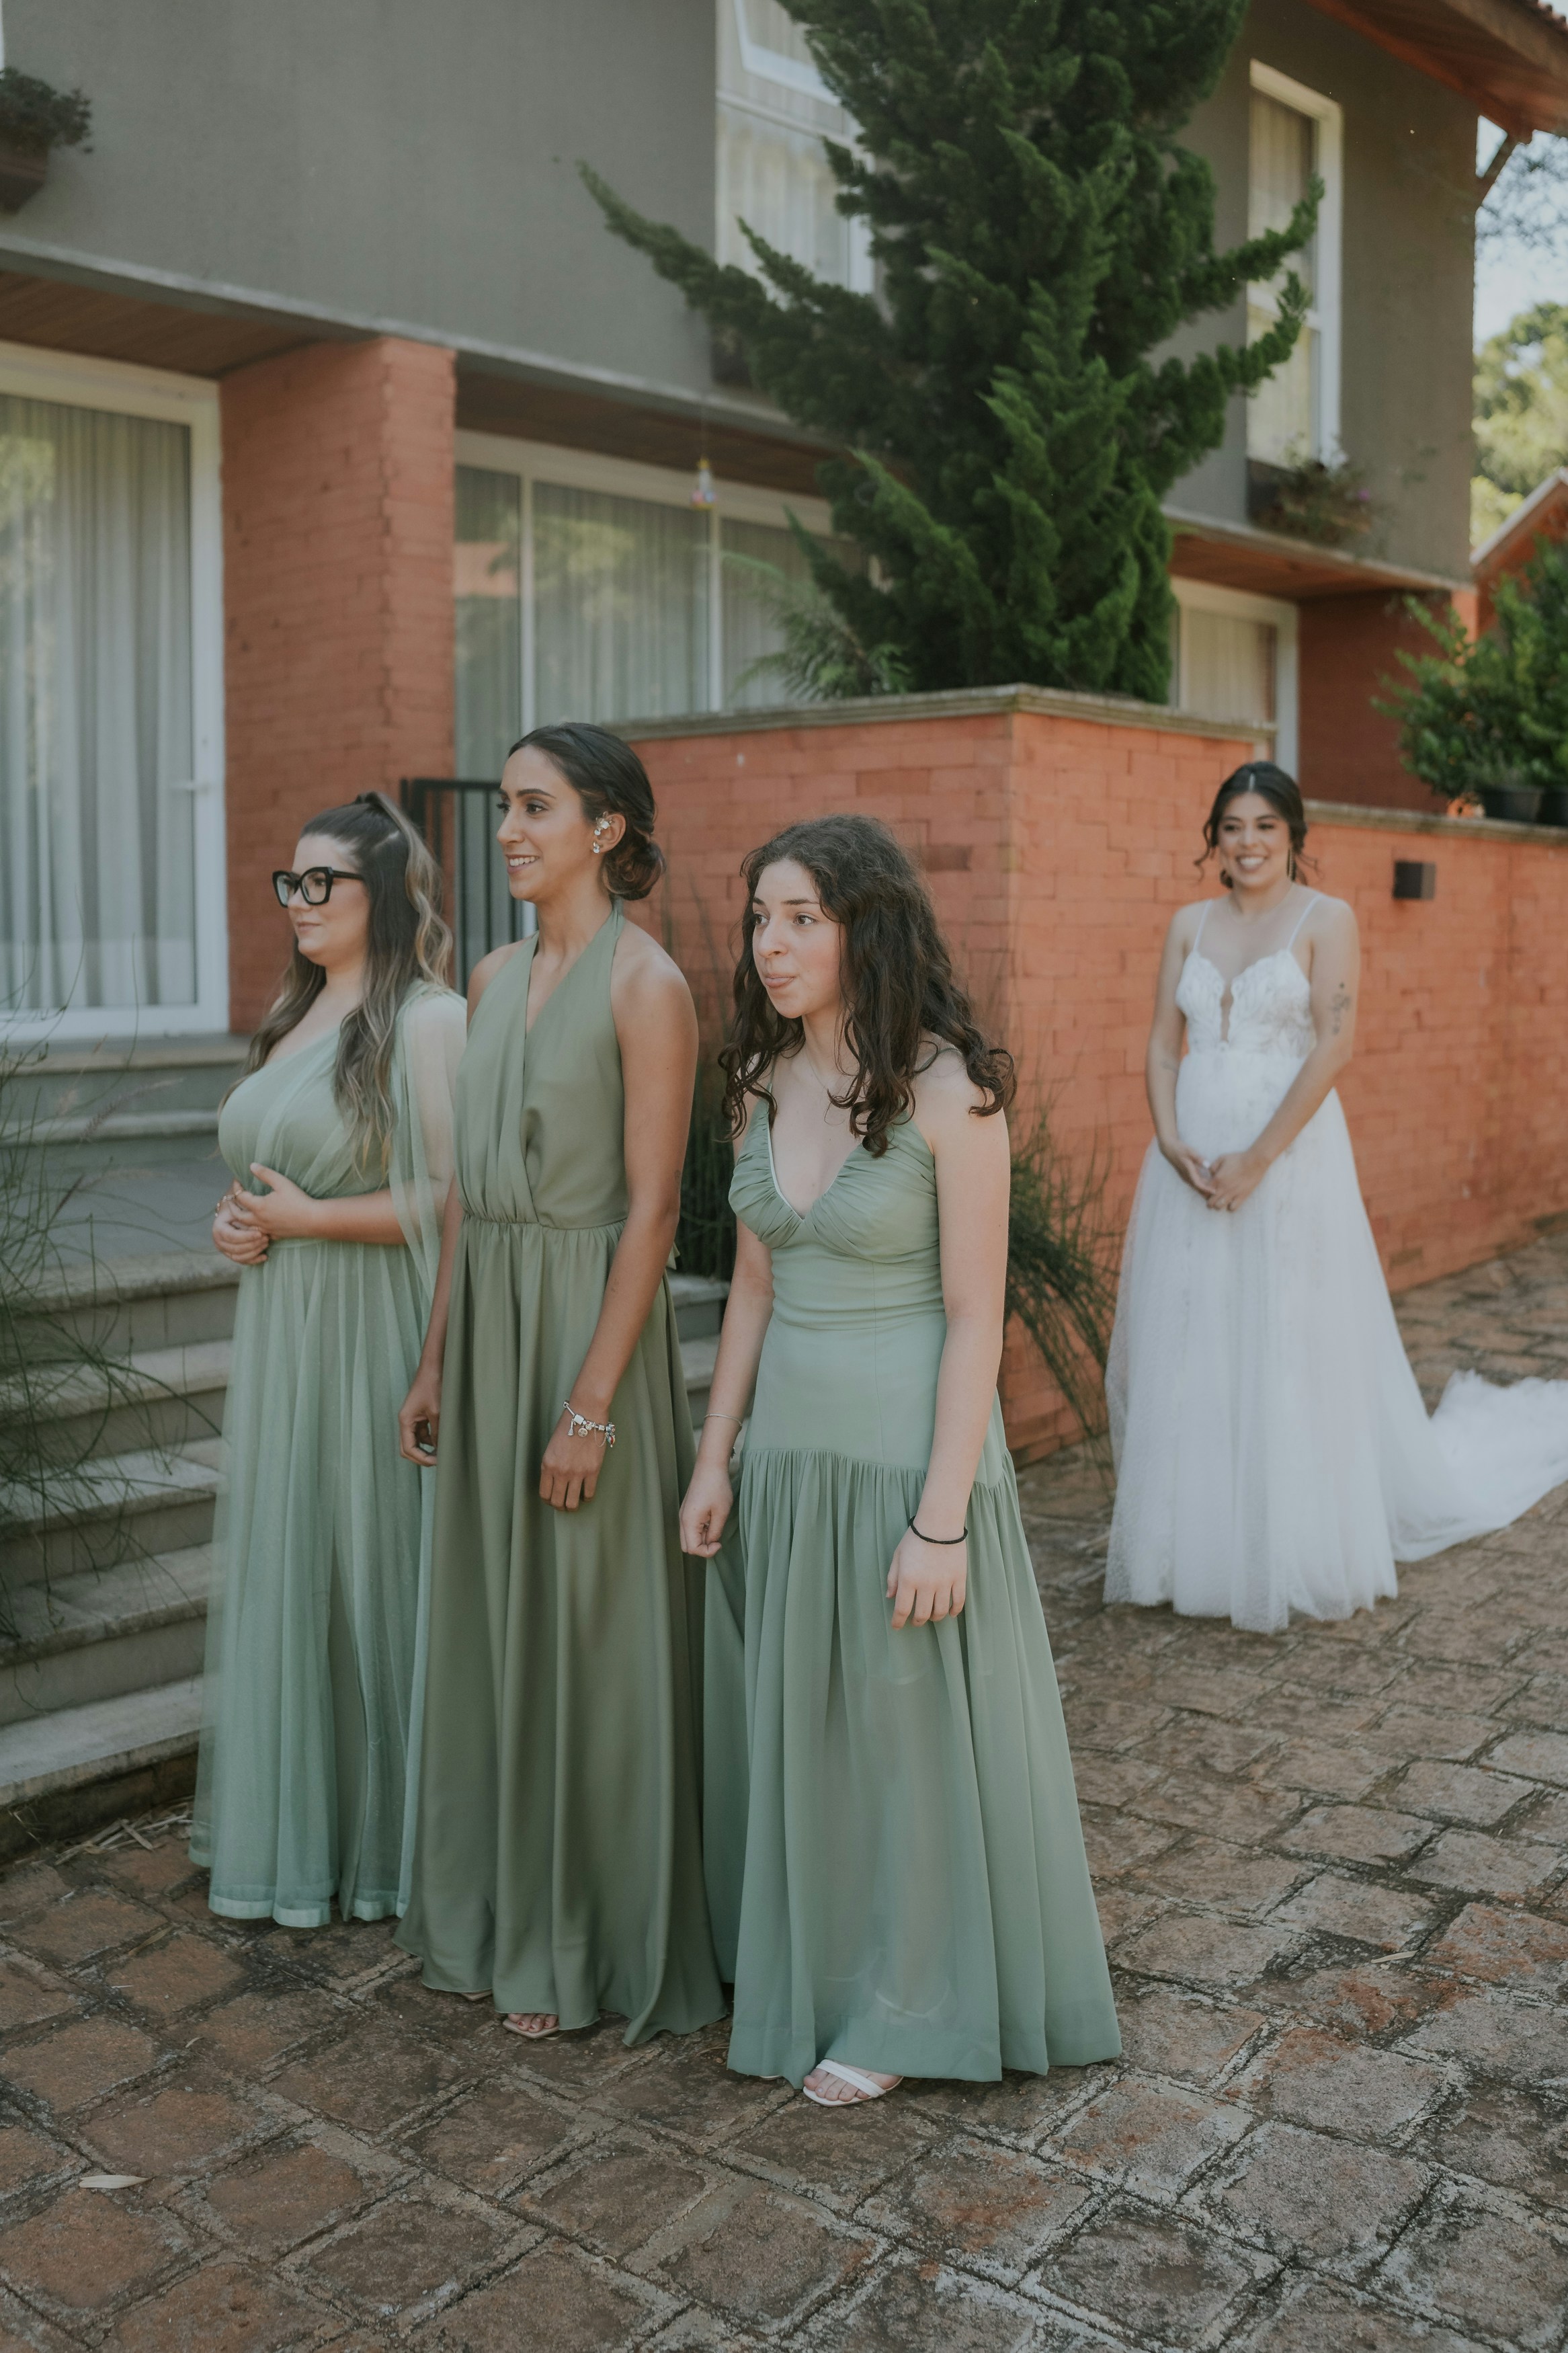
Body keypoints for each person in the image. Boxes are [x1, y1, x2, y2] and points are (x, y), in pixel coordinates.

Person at [681, 814, 1120, 2108]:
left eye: (803, 917)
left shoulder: (947, 1090)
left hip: (902, 1473)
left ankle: (907, 2003)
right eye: (762, 915)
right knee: (807, 1742)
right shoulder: (758, 1084)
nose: (771, 942)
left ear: (867, 928)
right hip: (791, 1471)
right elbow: (749, 1293)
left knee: (903, 1744)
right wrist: (716, 1459)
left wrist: (940, 1522)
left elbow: (977, 1318)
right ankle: (820, 1972)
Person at [395, 723, 724, 2045]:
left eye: (537, 807)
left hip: (593, 1331)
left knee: (588, 1633)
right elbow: (472, 1187)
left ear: (606, 829)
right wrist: (434, 1355)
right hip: (490, 1336)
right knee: (494, 1620)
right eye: (505, 807)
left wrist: (588, 1404)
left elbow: (654, 1215)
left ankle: (585, 1934)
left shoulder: (652, 989)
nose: (510, 828)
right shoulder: (486, 975)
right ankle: (496, 1913)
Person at [1106, 759, 1568, 1633]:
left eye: (1264, 828)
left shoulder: (1327, 921)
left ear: (1294, 837)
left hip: (1290, 1158)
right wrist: (1168, 1138)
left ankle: (1287, 1543)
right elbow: (1162, 1047)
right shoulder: (1186, 926)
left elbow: (1332, 1046)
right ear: (1215, 838)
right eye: (1232, 828)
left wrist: (1258, 1159)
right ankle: (1187, 1546)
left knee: (1284, 1332)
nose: (1246, 844)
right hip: (1190, 1156)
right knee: (1193, 1332)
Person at [192, 793, 465, 1926]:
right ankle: (302, 1830)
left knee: (374, 1576)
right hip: (286, 1331)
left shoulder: (436, 1021)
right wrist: (240, 1223)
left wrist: (310, 1223)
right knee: (298, 1568)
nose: (300, 903)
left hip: (373, 1330)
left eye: (324, 884)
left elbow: (462, 1200)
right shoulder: (294, 1012)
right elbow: (270, 1173)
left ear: (388, 897)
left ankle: (394, 1848)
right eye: (290, 883)